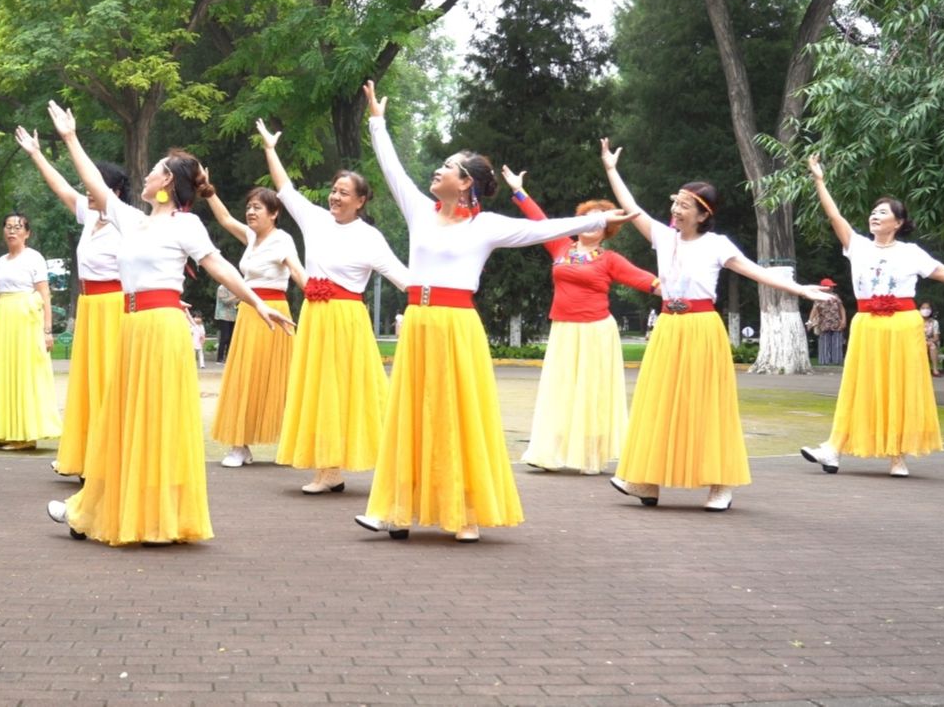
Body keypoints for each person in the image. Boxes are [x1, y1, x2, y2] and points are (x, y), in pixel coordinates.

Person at [352, 85, 634, 542]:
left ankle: (465, 513)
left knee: (459, 416)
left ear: (465, 182)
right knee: (410, 414)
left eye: (447, 167)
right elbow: (392, 171)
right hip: (419, 323)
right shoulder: (420, 211)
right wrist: (377, 122)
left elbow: (542, 228)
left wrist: (595, 221)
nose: (436, 170)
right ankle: (395, 510)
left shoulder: (487, 226)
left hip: (458, 325)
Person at [40, 101, 293, 546]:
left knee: (158, 420)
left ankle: (157, 516)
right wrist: (69, 138)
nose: (145, 177)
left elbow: (219, 266)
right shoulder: (131, 220)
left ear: (167, 183)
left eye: (154, 172)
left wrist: (257, 302)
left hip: (162, 327)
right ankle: (108, 505)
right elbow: (94, 185)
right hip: (133, 327)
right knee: (122, 419)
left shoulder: (187, 224)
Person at [600, 139, 833, 512]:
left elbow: (756, 272)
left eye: (685, 205)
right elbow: (632, 208)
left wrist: (798, 289)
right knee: (658, 402)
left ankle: (720, 485)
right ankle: (645, 481)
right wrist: (611, 169)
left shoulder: (717, 245)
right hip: (668, 328)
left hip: (702, 328)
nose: (676, 209)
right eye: (675, 202)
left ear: (703, 214)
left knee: (707, 406)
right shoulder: (663, 236)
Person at [256, 117, 410, 496]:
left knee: (346, 391)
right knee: (317, 390)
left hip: (347, 320)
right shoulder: (315, 220)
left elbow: (403, 278)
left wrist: (439, 297)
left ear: (360, 201)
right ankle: (329, 469)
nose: (336, 197)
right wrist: (270, 150)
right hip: (315, 316)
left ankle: (367, 465)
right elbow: (285, 189)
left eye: (344, 193)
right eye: (334, 190)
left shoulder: (370, 237)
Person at [799, 157, 944, 478]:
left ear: (898, 222)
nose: (875, 216)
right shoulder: (857, 246)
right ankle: (833, 448)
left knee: (899, 387)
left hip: (903, 325)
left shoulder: (911, 253)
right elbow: (834, 215)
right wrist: (820, 180)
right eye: (873, 212)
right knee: (857, 385)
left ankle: (897, 456)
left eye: (883, 213)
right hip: (866, 325)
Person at [502, 165, 660, 476]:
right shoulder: (560, 246)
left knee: (592, 393)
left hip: (596, 332)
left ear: (606, 230)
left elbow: (645, 280)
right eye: (587, 218)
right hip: (563, 330)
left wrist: (675, 289)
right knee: (557, 390)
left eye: (599, 221)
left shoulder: (610, 260)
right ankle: (548, 453)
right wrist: (519, 191)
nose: (591, 225)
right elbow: (540, 222)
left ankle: (591, 455)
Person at [14, 126, 128, 478]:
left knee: (110, 381)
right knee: (87, 381)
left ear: (114, 190)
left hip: (114, 306)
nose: (87, 192)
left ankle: (111, 456)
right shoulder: (90, 216)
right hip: (90, 306)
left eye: (94, 186)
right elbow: (61, 187)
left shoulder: (124, 221)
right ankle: (86, 454)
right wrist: (36, 153)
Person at [201, 183, 305, 468]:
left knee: (279, 378)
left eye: (257, 207)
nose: (250, 212)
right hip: (249, 313)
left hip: (275, 314)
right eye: (249, 207)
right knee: (243, 376)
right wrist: (210, 192)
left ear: (274, 213)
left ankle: (291, 444)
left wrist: (319, 295)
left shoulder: (281, 239)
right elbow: (224, 220)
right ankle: (239, 446)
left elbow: (296, 270)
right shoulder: (251, 237)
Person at [0, 212, 61, 451]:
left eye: (17, 227)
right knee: (4, 373)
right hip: (5, 319)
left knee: (24, 373)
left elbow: (44, 293)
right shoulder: (1, 261)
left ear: (27, 233)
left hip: (26, 320)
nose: (12, 231)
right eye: (8, 226)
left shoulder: (34, 258)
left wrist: (48, 330)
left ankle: (24, 434)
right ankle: (1, 431)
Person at [805, 278, 847, 366]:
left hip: (836, 323)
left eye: (832, 287)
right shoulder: (818, 297)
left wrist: (843, 320)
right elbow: (814, 310)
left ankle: (836, 361)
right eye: (830, 286)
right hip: (823, 324)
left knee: (837, 343)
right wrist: (810, 322)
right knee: (824, 343)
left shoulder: (835, 296)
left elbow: (841, 308)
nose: (831, 288)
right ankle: (824, 361)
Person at [213, 286, 238, 363]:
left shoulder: (233, 289)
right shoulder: (221, 288)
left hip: (233, 316)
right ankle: (219, 358)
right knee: (225, 338)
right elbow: (225, 301)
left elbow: (235, 302)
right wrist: (236, 296)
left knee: (231, 338)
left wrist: (241, 297)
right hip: (223, 316)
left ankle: (228, 358)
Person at [922, 303, 942, 376]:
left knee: (932, 346)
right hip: (918, 342)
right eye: (923, 308)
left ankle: (935, 370)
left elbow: (936, 337)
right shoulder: (916, 321)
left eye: (927, 308)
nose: (925, 310)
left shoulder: (934, 322)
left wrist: (929, 341)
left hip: (930, 341)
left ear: (931, 310)